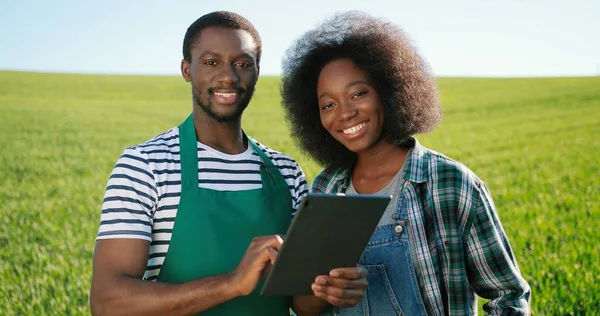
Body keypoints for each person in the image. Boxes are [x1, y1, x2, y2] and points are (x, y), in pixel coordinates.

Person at [90, 11, 367, 316]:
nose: (228, 76)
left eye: (242, 64)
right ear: (187, 70)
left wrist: (330, 287)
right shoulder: (145, 166)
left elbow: (300, 303)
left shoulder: (286, 173)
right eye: (211, 62)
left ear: (256, 73)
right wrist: (233, 283)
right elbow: (108, 303)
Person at [280, 11, 531, 316]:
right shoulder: (325, 188)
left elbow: (508, 297)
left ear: (388, 91)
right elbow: (304, 307)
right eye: (328, 104)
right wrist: (327, 291)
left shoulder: (451, 183)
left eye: (358, 93)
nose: (344, 113)